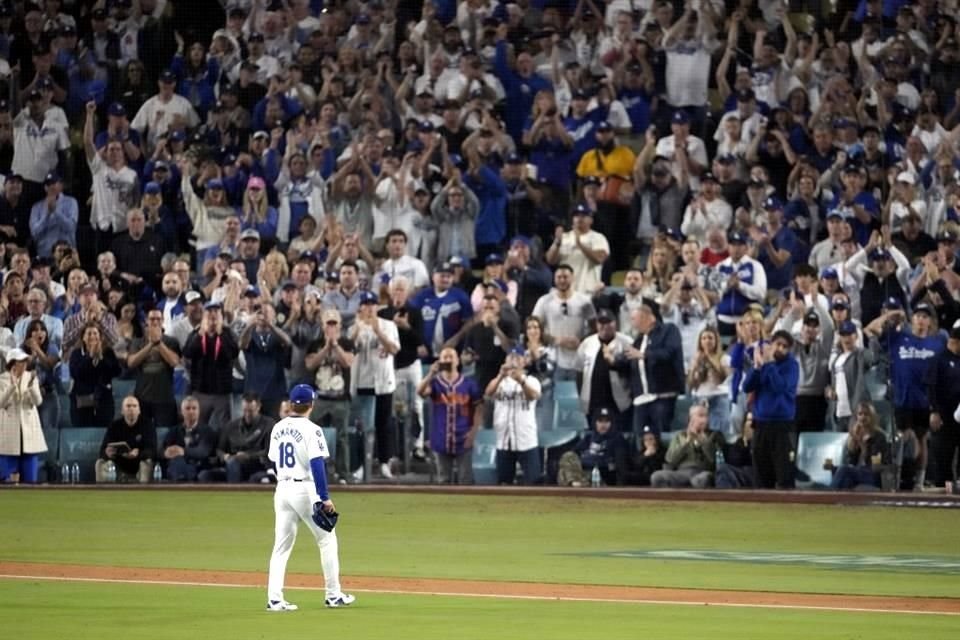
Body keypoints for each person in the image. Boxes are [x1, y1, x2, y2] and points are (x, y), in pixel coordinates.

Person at [266, 384, 355, 611]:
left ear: (292, 404)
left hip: (282, 488)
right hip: (303, 489)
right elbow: (317, 465)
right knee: (326, 539)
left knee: (281, 547)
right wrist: (323, 497)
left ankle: (274, 599)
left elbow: (273, 459)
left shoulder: (278, 427)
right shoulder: (312, 429)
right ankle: (333, 595)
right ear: (311, 404)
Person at [865, 301, 944, 491]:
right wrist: (891, 314)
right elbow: (870, 328)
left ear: (930, 322)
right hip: (903, 399)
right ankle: (897, 477)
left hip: (925, 401)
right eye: (917, 316)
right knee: (903, 437)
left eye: (925, 317)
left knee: (922, 438)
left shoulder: (937, 343)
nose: (920, 320)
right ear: (912, 319)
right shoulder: (899, 338)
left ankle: (919, 481)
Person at [349, 290, 400, 480]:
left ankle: (384, 463)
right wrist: (358, 327)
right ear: (360, 307)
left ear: (377, 307)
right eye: (365, 304)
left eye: (372, 304)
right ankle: (360, 464)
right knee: (362, 427)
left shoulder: (388, 325)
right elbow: (348, 347)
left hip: (384, 382)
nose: (369, 308)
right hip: (362, 382)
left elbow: (394, 349)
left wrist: (378, 331)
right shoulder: (355, 326)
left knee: (383, 424)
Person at [615, 299, 685, 435]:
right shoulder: (639, 339)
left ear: (650, 318)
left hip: (662, 396)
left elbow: (669, 353)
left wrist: (644, 355)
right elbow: (629, 360)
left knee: (659, 437)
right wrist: (612, 360)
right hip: (641, 398)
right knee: (639, 438)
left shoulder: (669, 330)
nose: (633, 323)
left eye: (635, 319)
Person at [742, 330, 800, 490]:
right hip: (761, 425)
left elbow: (780, 387)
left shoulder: (792, 366)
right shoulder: (764, 364)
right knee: (761, 476)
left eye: (784, 346)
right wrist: (757, 368)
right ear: (771, 344)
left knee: (784, 475)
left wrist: (768, 365)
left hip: (782, 426)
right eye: (777, 344)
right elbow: (747, 387)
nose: (780, 348)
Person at [418, 346, 483, 484]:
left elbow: (479, 408)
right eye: (445, 357)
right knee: (444, 482)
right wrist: (430, 374)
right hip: (441, 438)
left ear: (457, 361)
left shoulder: (469, 384)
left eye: (451, 357)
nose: (448, 360)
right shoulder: (435, 383)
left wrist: (473, 432)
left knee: (466, 481)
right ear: (440, 361)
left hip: (463, 437)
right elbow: (420, 392)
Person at [486, 346, 542, 485]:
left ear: (525, 361)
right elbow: (488, 393)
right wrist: (500, 376)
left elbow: (534, 395)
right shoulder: (500, 382)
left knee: (533, 483)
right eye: (510, 357)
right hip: (504, 440)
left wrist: (520, 380)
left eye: (517, 357)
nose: (513, 360)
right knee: (504, 483)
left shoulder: (531, 380)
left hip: (526, 440)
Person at [183, 301, 239, 430]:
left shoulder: (227, 333)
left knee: (225, 428)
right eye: (209, 312)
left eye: (216, 312)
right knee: (198, 426)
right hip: (201, 390)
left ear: (221, 316)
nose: (213, 315)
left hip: (222, 392)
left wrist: (220, 334)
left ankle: (222, 450)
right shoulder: (196, 332)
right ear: (204, 315)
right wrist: (200, 335)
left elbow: (232, 354)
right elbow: (188, 352)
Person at [126, 308, 181, 427]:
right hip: (142, 398)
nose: (155, 322)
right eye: (152, 319)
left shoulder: (171, 341)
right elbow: (131, 363)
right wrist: (151, 344)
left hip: (164, 398)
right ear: (146, 321)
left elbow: (174, 362)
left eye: (158, 319)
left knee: (165, 433)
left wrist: (159, 343)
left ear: (163, 321)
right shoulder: (137, 342)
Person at [202, 393, 272, 483]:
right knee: (204, 475)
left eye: (250, 411)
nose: (247, 414)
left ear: (258, 407)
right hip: (232, 465)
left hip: (257, 466)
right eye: (245, 410)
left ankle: (233, 492)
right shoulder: (231, 426)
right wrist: (224, 456)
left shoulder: (268, 424)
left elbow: (269, 451)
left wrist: (248, 456)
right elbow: (219, 450)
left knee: (234, 463)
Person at [650, 403, 723, 488]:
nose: (705, 419)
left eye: (706, 416)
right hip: (681, 473)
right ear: (690, 418)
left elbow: (714, 460)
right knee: (656, 476)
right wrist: (687, 442)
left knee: (703, 479)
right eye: (701, 416)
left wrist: (703, 441)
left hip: (701, 472)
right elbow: (670, 459)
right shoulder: (680, 436)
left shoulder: (715, 435)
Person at [0, 349, 46, 483]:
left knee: (30, 481)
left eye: (25, 361)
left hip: (29, 434)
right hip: (8, 436)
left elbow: (38, 401)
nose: (25, 364)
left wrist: (32, 387)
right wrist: (12, 386)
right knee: (7, 481)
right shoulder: (2, 379)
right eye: (21, 361)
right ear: (12, 364)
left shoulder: (31, 377)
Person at [925, 322, 960, 488]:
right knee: (943, 456)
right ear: (955, 341)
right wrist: (934, 411)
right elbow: (931, 386)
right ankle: (941, 491)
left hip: (959, 415)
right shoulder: (939, 359)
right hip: (944, 416)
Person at [827, 402, 891, 491]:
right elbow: (851, 462)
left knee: (844, 470)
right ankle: (840, 503)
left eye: (866, 414)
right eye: (860, 414)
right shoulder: (854, 435)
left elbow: (876, 464)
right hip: (856, 472)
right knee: (845, 479)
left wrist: (864, 448)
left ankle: (828, 495)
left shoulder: (879, 436)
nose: (863, 417)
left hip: (872, 475)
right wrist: (832, 467)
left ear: (872, 417)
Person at [557, 407, 627, 487]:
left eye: (606, 421)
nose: (603, 425)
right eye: (600, 421)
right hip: (582, 471)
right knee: (567, 457)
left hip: (600, 475)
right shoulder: (589, 437)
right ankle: (575, 482)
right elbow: (573, 454)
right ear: (595, 422)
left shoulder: (617, 439)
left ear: (611, 423)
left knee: (564, 474)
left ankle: (574, 483)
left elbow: (619, 465)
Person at [69, 323, 122, 427]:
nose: (92, 336)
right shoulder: (76, 354)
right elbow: (76, 373)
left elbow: (116, 371)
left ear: (100, 336)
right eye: (89, 334)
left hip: (104, 401)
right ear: (83, 337)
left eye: (95, 333)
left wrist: (102, 358)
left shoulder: (108, 352)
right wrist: (90, 357)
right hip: (82, 402)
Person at [94, 396, 157, 484]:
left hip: (139, 462)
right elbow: (102, 451)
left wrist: (138, 453)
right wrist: (107, 453)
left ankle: (143, 493)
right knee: (100, 463)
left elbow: (152, 450)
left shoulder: (147, 425)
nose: (131, 409)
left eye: (134, 406)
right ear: (122, 411)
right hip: (119, 463)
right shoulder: (114, 426)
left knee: (147, 463)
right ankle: (103, 493)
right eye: (128, 406)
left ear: (139, 410)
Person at [161, 396, 217, 482]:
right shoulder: (174, 431)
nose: (191, 411)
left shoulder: (207, 431)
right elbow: (162, 450)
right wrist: (166, 453)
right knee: (177, 461)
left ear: (199, 411)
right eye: (188, 408)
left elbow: (203, 451)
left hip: (199, 467)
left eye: (194, 408)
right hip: (177, 467)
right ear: (181, 412)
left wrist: (183, 451)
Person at [714, 412, 756, 489]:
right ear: (743, 425)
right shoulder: (738, 444)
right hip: (739, 476)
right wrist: (746, 441)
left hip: (756, 476)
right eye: (749, 420)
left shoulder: (764, 444)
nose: (751, 424)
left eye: (754, 421)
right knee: (723, 470)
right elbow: (734, 461)